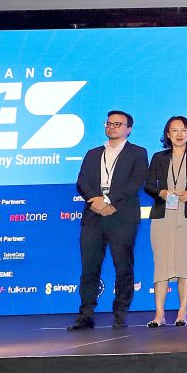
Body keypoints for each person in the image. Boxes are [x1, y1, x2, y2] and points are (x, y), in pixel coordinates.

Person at [69, 110, 149, 330]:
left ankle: (120, 313)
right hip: (93, 216)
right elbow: (82, 181)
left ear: (128, 129)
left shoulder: (138, 153)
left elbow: (136, 182)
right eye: (109, 123)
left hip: (121, 216)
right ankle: (85, 314)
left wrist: (107, 199)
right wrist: (96, 200)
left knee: (123, 266)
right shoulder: (93, 153)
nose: (112, 127)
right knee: (89, 268)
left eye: (118, 124)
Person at [144, 115, 187, 327]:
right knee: (162, 266)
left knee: (186, 265)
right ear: (167, 134)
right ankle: (159, 314)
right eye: (175, 130)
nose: (179, 134)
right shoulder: (158, 157)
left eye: (184, 130)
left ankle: (182, 312)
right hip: (163, 216)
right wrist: (162, 192)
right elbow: (148, 185)